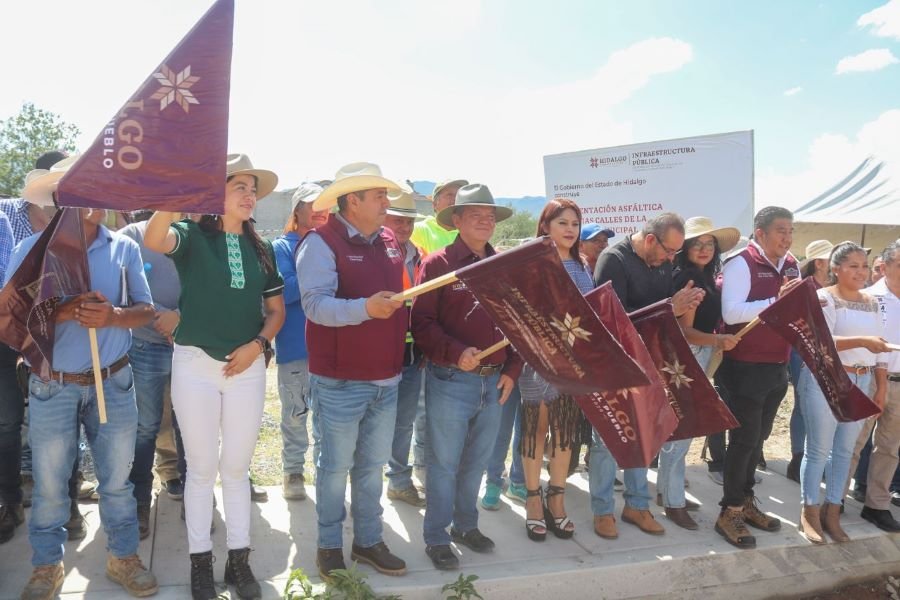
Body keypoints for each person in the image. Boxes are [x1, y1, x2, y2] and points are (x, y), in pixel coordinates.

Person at [10, 162, 158, 598]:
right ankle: (45, 566)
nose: (93, 199)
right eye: (80, 190)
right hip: (51, 383)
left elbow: (146, 311)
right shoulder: (32, 251)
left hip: (112, 380)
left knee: (117, 481)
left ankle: (123, 557)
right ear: (59, 198)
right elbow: (13, 317)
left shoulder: (123, 250)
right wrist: (61, 311)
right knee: (51, 484)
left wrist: (113, 316)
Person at [145, 154, 285, 600]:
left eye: (252, 188)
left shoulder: (261, 248)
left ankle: (239, 563)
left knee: (238, 470)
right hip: (195, 367)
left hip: (246, 369)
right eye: (238, 186)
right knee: (202, 470)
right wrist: (176, 190)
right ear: (213, 193)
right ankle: (200, 564)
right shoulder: (189, 237)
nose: (249, 195)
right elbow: (153, 237)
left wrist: (258, 345)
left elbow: (276, 311)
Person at [297, 162, 408, 582]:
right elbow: (315, 306)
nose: (386, 202)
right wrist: (367, 308)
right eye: (378, 195)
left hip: (387, 378)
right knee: (334, 467)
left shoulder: (388, 240)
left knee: (371, 467)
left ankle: (367, 541)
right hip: (341, 380)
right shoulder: (320, 243)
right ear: (353, 200)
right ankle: (328, 546)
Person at [412, 184, 520, 569]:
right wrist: (457, 353)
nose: (486, 221)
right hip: (451, 380)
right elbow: (421, 324)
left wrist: (512, 368)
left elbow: (519, 324)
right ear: (455, 220)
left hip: (495, 382)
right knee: (443, 463)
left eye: (490, 215)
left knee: (476, 461)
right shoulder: (438, 265)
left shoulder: (504, 265)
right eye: (475, 214)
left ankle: (465, 525)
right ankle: (437, 536)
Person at [590, 212, 704, 540]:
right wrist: (671, 306)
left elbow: (661, 315)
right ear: (650, 239)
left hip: (648, 362)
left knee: (643, 434)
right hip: (613, 365)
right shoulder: (613, 260)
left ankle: (637, 505)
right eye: (669, 251)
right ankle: (601, 510)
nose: (672, 259)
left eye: (675, 254)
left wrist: (683, 307)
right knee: (608, 440)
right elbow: (613, 321)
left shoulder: (663, 263)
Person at [716, 206, 802, 549]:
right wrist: (775, 301)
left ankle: (745, 500)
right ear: (761, 233)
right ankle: (729, 512)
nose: (788, 237)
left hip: (776, 366)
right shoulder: (741, 263)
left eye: (791, 231)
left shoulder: (791, 264)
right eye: (781, 230)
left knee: (760, 438)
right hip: (743, 366)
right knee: (744, 440)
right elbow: (731, 312)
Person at [795, 242, 889, 543]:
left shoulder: (872, 301)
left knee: (845, 451)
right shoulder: (824, 298)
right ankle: (809, 511)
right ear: (835, 268)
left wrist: (881, 385)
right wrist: (863, 341)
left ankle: (832, 511)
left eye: (864, 265)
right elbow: (821, 342)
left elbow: (880, 346)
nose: (861, 272)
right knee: (819, 449)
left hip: (862, 381)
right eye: (853, 265)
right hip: (826, 379)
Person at [518, 198, 595, 541]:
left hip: (571, 363)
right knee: (536, 430)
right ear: (546, 225)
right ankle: (533, 502)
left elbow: (591, 314)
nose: (570, 230)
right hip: (536, 360)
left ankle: (557, 499)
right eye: (563, 222)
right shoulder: (531, 264)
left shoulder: (583, 265)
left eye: (575, 224)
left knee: (565, 435)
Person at [660, 217, 741, 531]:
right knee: (681, 431)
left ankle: (669, 492)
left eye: (710, 244)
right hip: (688, 356)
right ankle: (673, 501)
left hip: (698, 354)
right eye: (698, 243)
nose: (705, 249)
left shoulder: (704, 276)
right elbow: (686, 332)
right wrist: (717, 341)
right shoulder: (690, 278)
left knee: (681, 429)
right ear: (686, 248)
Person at [119, 212, 184, 540]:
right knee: (145, 425)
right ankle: (138, 501)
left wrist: (182, 319)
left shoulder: (195, 235)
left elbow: (209, 288)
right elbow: (125, 288)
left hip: (191, 345)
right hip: (146, 348)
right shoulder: (131, 235)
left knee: (188, 423)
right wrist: (164, 319)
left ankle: (192, 497)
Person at [272, 183, 328, 501]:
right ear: (297, 211)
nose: (319, 209)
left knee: (327, 415)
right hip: (294, 346)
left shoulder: (333, 245)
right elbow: (286, 291)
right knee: (295, 414)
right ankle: (293, 471)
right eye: (312, 204)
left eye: (324, 204)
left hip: (329, 348)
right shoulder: (281, 247)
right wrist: (320, 276)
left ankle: (324, 471)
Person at [849, 240, 900, 532]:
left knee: (890, 448)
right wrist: (879, 385)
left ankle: (877, 505)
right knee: (853, 444)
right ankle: (835, 500)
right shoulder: (868, 298)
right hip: (869, 379)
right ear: (885, 266)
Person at [383, 187, 428, 508]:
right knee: (371, 421)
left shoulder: (419, 255)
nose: (404, 227)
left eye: (408, 222)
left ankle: (398, 480)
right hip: (378, 353)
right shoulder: (372, 253)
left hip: (411, 354)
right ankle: (367, 483)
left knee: (403, 421)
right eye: (397, 220)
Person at [785, 240, 835, 483]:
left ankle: (807, 457)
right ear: (819, 263)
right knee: (804, 404)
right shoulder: (804, 287)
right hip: (803, 351)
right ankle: (798, 457)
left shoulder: (831, 287)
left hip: (823, 351)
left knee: (815, 404)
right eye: (831, 259)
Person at [410, 179, 467, 254]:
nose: (455, 199)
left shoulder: (468, 232)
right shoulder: (418, 230)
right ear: (435, 204)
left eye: (458, 196)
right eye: (449, 195)